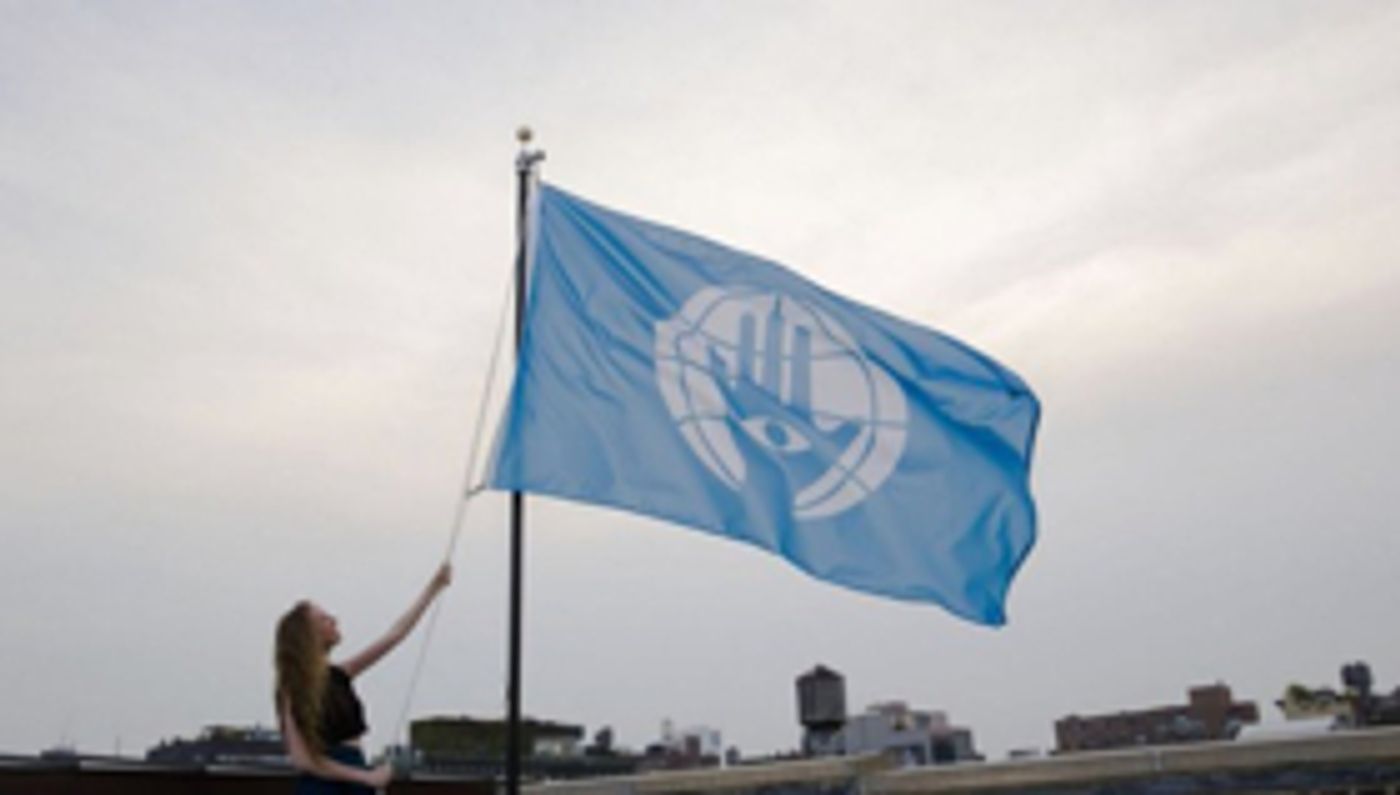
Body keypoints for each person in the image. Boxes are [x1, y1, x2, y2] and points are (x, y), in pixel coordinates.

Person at [274, 562, 452, 793]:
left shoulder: (339, 675)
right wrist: (365, 777)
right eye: (324, 619)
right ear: (307, 635)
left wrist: (433, 588)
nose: (334, 620)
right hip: (326, 785)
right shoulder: (292, 687)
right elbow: (302, 760)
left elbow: (395, 635)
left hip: (354, 775)